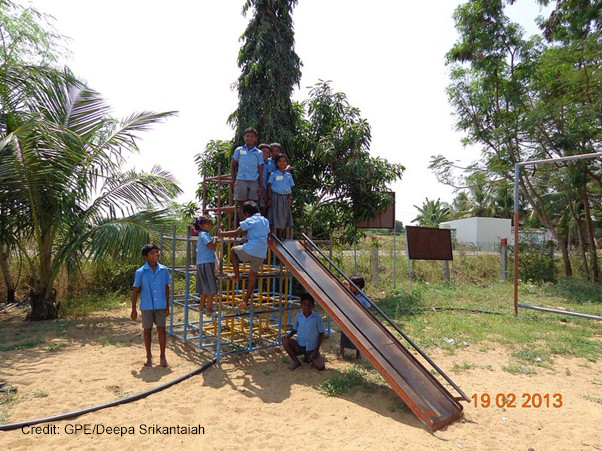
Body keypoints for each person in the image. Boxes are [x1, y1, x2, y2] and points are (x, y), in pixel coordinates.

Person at [218, 201, 270, 309]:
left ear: (246, 214)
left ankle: (236, 276)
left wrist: (222, 234)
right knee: (252, 275)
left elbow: (236, 232)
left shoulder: (250, 220)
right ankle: (245, 300)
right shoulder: (265, 220)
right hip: (262, 252)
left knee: (233, 250)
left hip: (251, 249)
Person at [131, 244, 171, 367]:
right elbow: (136, 290)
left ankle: (162, 356)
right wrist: (133, 309)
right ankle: (149, 356)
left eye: (156, 252)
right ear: (146, 256)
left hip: (160, 305)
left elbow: (166, 288)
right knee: (147, 331)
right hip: (147, 306)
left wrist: (167, 306)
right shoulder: (140, 272)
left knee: (161, 330)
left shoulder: (164, 270)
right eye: (152, 253)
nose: (156, 255)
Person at [283, 293, 326, 371]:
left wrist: (316, 349)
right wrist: (288, 336)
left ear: (313, 305)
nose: (307, 307)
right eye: (304, 304)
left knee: (321, 367)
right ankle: (297, 362)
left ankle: (308, 357)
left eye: (309, 304)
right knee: (285, 342)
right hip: (300, 345)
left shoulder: (317, 318)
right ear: (301, 305)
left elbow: (321, 333)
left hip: (312, 348)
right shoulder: (298, 316)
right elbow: (295, 329)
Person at [231, 128, 263, 221]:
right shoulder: (239, 150)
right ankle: (243, 231)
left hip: (253, 181)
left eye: (252, 136)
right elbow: (233, 166)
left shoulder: (258, 153)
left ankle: (251, 230)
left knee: (252, 206)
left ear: (256, 139)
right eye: (247, 136)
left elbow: (260, 169)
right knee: (242, 206)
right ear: (244, 138)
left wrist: (261, 185)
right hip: (241, 180)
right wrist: (234, 181)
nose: (249, 138)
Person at [339, 275, 370, 360]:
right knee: (344, 335)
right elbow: (342, 285)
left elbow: (367, 306)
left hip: (358, 320)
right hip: (348, 318)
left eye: (351, 285)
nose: (350, 286)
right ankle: (341, 352)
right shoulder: (350, 292)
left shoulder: (362, 297)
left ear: (358, 287)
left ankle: (358, 353)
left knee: (358, 337)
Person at [194, 216, 218, 314]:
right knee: (210, 286)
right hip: (207, 263)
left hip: (201, 263)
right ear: (201, 225)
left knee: (204, 286)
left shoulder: (201, 234)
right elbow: (211, 246)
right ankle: (209, 308)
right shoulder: (204, 234)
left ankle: (201, 305)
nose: (210, 226)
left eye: (210, 224)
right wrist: (215, 240)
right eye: (208, 224)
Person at [267, 154, 294, 238]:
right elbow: (270, 187)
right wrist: (269, 198)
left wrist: (289, 198)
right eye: (280, 162)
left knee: (283, 216)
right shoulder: (273, 174)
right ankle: (271, 234)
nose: (282, 163)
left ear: (286, 163)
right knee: (272, 216)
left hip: (284, 198)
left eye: (284, 161)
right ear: (276, 163)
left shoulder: (289, 175)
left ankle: (279, 236)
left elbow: (290, 187)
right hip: (275, 197)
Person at [258, 143, 275, 217]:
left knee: (263, 207)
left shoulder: (269, 164)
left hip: (264, 188)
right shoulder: (255, 161)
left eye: (268, 153)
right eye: (263, 152)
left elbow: (269, 179)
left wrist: (268, 194)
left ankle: (262, 224)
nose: (266, 154)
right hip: (255, 186)